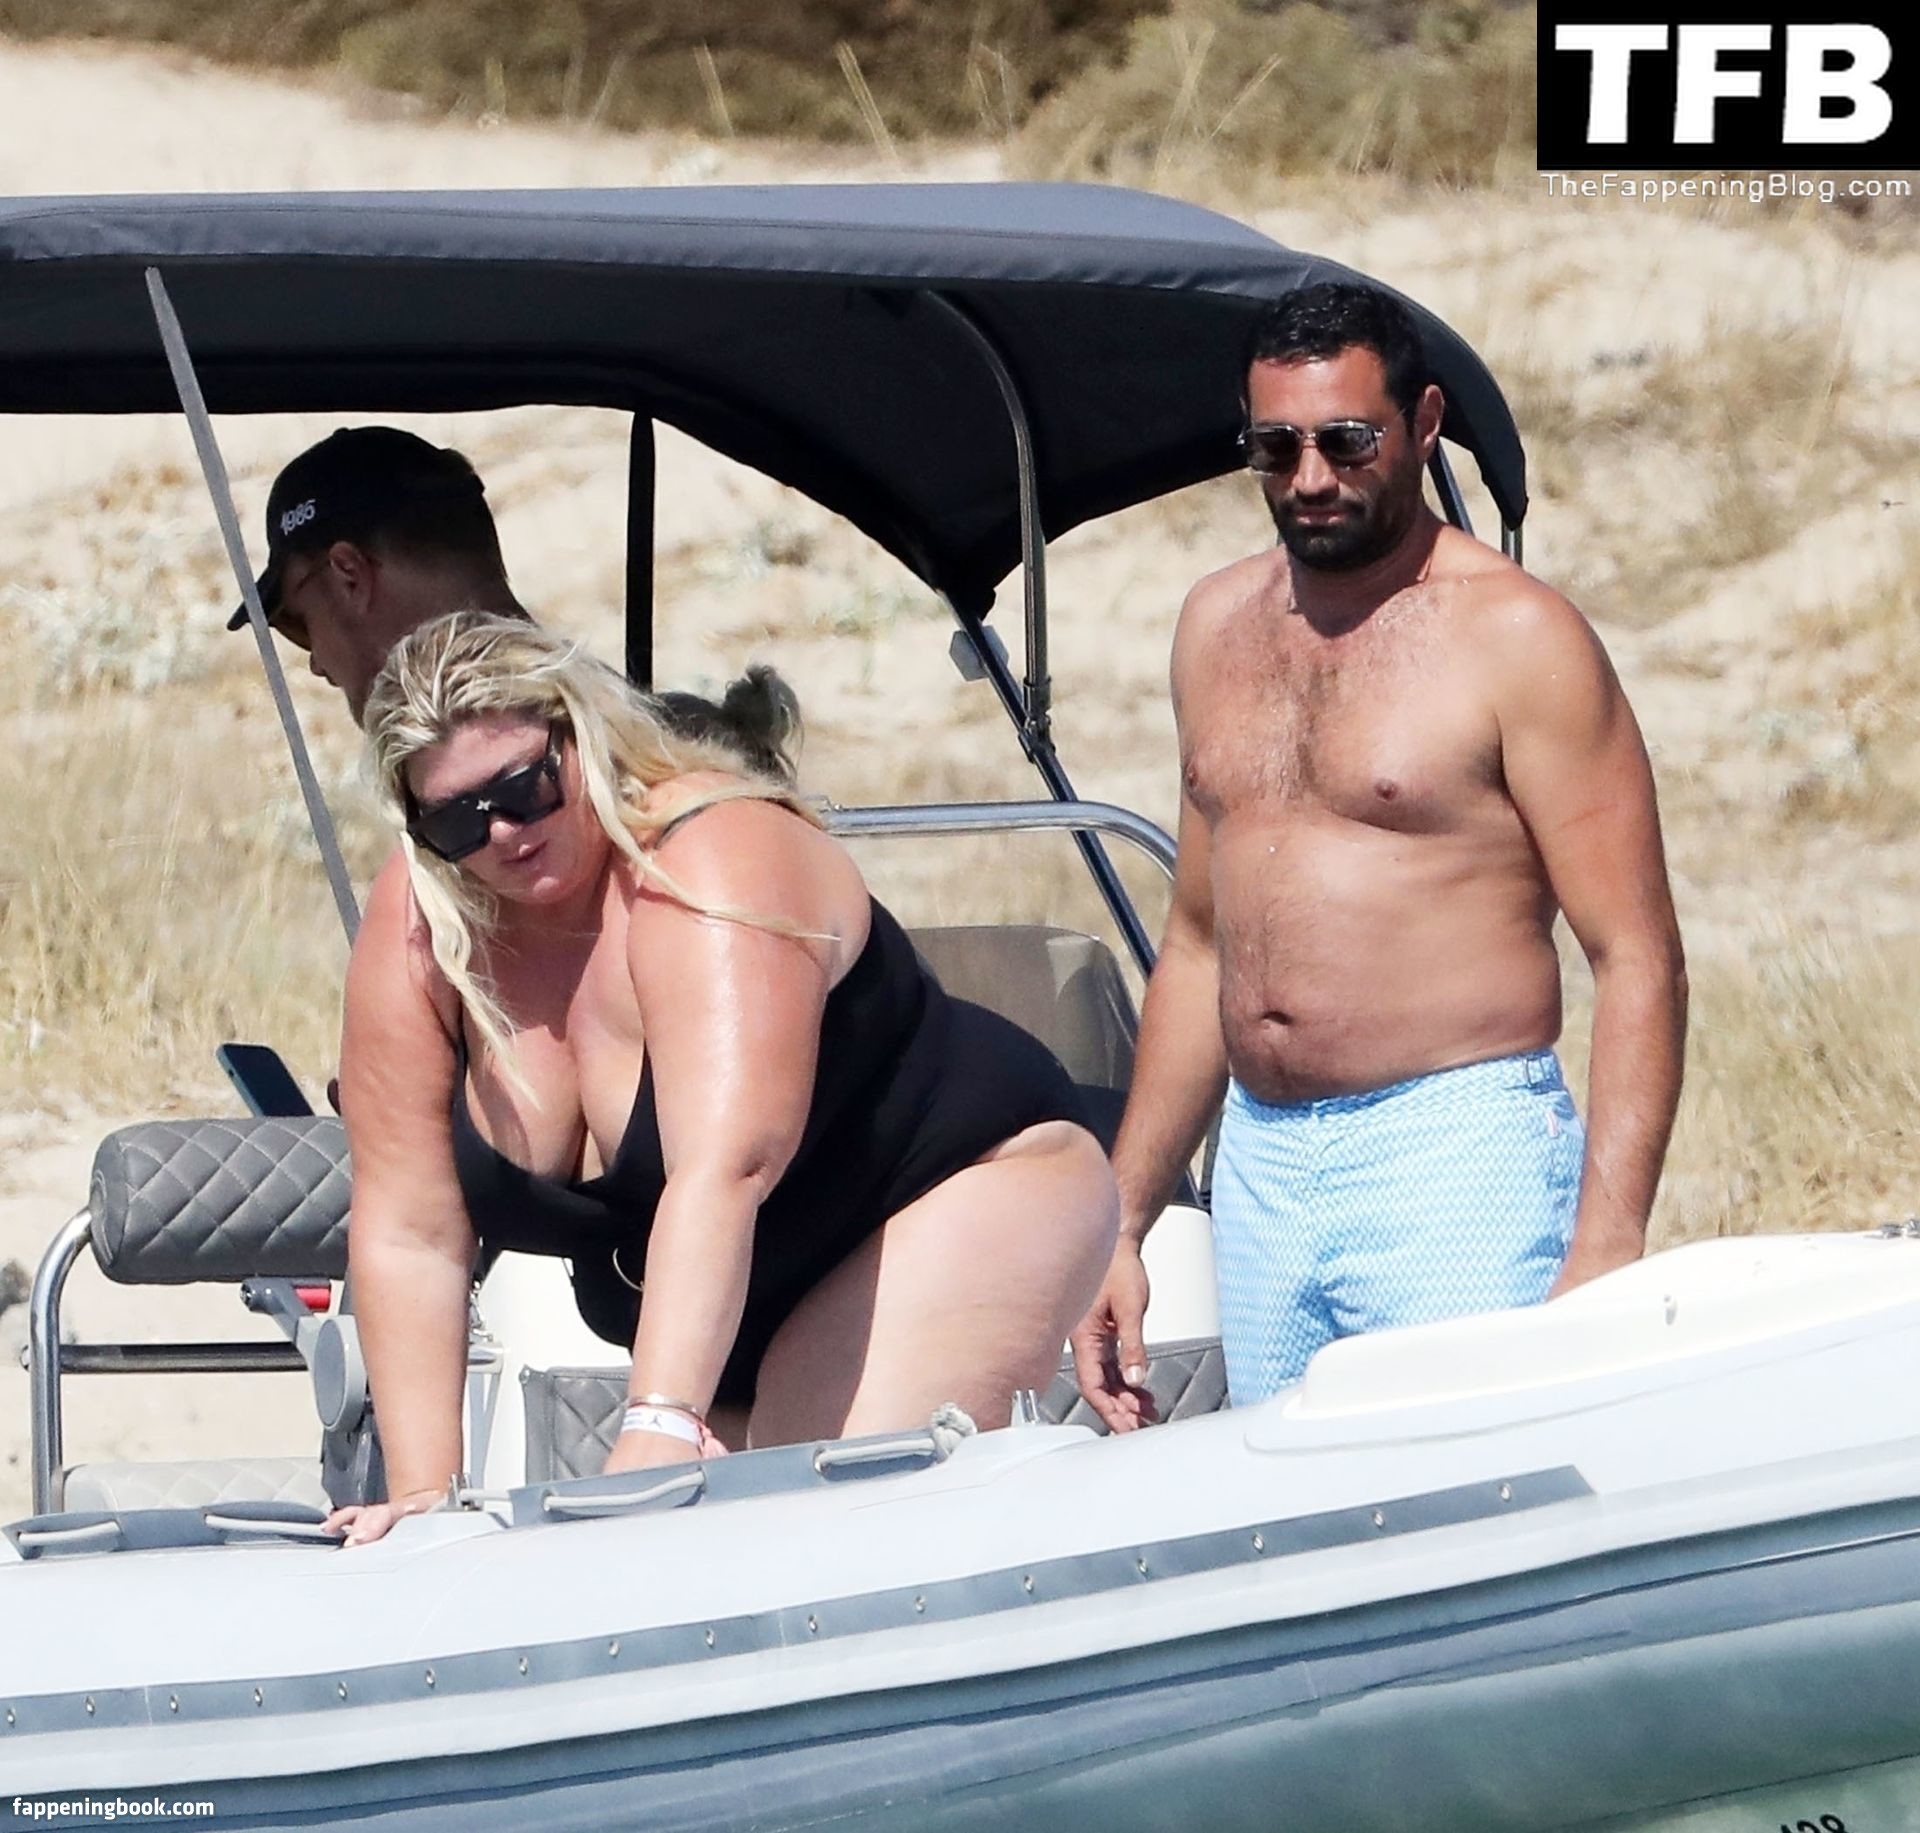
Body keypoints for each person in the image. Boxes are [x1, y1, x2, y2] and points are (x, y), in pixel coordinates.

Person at [325, 612, 1118, 1544]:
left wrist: (659, 1420)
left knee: (822, 1522)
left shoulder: (710, 853)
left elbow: (723, 1167)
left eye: (525, 787)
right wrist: (426, 1498)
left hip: (956, 1185)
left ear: (582, 735)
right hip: (737, 1298)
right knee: (725, 1538)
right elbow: (411, 1229)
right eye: (458, 818)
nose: (502, 831)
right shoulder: (422, 921)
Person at [1070, 283, 1687, 1426]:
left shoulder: (1517, 635)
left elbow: (1637, 953)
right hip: (1262, 1162)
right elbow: (1199, 945)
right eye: (1275, 447)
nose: (1310, 477)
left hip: (1454, 1154)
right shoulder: (1214, 624)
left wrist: (1608, 1241)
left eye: (1348, 440)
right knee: (1288, 1505)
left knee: (1480, 1490)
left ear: (1424, 423)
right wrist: (1123, 1221)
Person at [230, 425, 532, 723]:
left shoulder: (476, 747)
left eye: (300, 625)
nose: (316, 665)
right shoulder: (553, 709)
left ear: (350, 577)